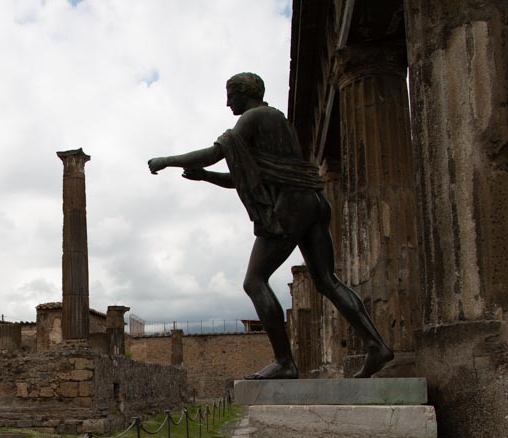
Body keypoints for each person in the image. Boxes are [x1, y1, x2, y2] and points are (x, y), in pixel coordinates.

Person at [147, 72, 393, 379]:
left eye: (230, 95)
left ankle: (284, 362)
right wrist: (206, 177)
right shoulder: (278, 121)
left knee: (254, 281)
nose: (227, 103)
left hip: (291, 205)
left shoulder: (254, 117)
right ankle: (377, 345)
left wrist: (166, 161)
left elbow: (213, 154)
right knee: (327, 281)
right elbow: (250, 179)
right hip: (314, 200)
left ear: (244, 93)